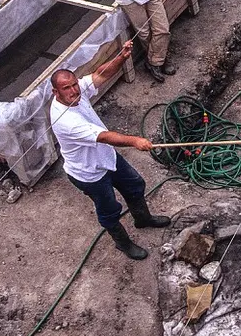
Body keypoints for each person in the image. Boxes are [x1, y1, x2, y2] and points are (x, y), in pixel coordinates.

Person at [49, 41, 171, 260]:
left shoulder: (77, 94)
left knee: (135, 184)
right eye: (66, 88)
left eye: (75, 84)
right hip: (89, 173)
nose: (74, 90)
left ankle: (142, 219)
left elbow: (100, 75)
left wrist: (121, 57)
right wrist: (135, 141)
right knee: (109, 210)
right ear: (55, 92)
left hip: (106, 157)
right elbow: (104, 136)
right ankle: (123, 244)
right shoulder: (65, 120)